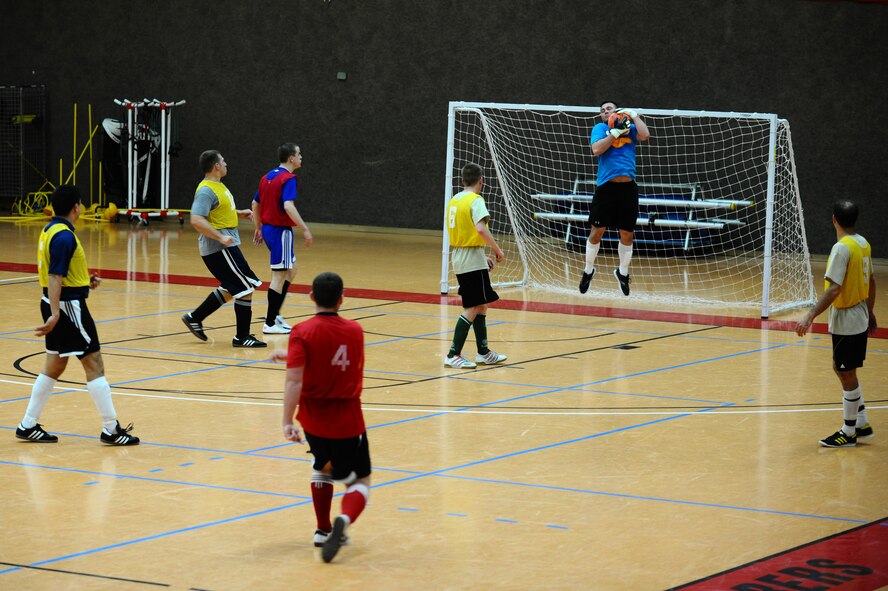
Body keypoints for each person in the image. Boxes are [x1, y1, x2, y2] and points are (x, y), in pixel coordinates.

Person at [16, 184, 139, 445]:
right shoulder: (64, 237)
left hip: (59, 301)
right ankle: (111, 429)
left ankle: (27, 424)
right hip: (67, 307)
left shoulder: (51, 230)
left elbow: (61, 272)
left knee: (55, 364)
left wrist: (84, 280)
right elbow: (55, 276)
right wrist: (55, 314)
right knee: (94, 363)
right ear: (76, 207)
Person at [275, 272, 370, 563]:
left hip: (314, 420)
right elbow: (336, 360)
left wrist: (287, 422)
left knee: (322, 466)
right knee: (360, 482)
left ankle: (322, 529)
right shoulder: (355, 330)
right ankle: (343, 519)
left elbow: (295, 381)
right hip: (347, 419)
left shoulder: (301, 332)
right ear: (342, 299)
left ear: (311, 297)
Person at [796, 200, 877, 448]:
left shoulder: (841, 248)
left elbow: (834, 289)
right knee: (841, 367)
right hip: (859, 313)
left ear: (834, 219)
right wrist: (870, 311)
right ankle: (861, 422)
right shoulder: (863, 243)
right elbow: (872, 281)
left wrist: (809, 315)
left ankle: (848, 432)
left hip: (848, 317)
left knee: (845, 371)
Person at [181, 150, 266, 348]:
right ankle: (241, 337)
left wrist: (238, 214)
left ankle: (195, 317)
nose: (226, 163)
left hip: (226, 245)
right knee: (245, 288)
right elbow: (196, 218)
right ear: (216, 166)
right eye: (223, 161)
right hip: (219, 247)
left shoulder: (217, 187)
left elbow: (217, 211)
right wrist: (220, 237)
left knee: (231, 287)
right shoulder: (206, 190)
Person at [578, 101, 650, 296]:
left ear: (618, 111)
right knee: (597, 231)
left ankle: (623, 272)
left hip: (628, 188)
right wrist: (614, 134)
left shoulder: (630, 127)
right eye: (602, 111)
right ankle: (588, 270)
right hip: (606, 187)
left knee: (627, 233)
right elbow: (596, 150)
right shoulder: (600, 128)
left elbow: (645, 135)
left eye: (609, 108)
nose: (605, 112)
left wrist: (633, 115)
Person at [443, 162, 507, 369]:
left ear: (462, 181)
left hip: (463, 254)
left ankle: (483, 352)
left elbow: (466, 232)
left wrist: (481, 255)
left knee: (481, 304)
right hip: (470, 258)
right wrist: (497, 249)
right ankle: (453, 354)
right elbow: (480, 229)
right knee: (472, 307)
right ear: (481, 181)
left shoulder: (454, 200)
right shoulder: (475, 200)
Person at [251, 143, 313, 335]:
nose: (301, 157)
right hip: (280, 231)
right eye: (299, 154)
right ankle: (270, 322)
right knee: (279, 275)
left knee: (291, 269)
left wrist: (259, 228)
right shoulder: (288, 178)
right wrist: (305, 228)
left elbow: (255, 203)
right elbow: (288, 206)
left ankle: (275, 313)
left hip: (269, 229)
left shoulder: (267, 176)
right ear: (291, 158)